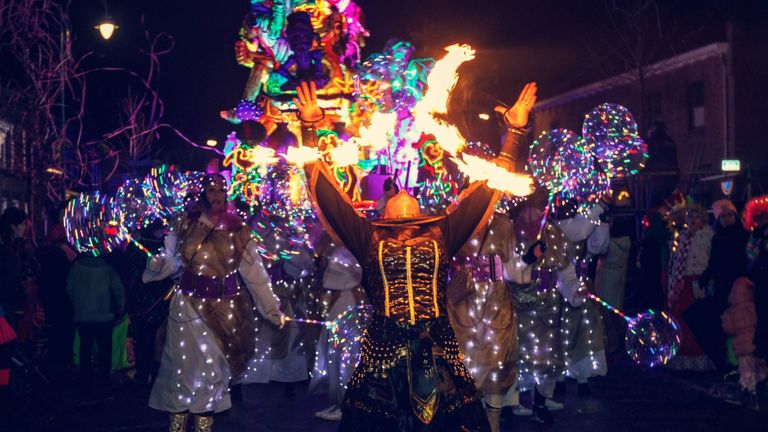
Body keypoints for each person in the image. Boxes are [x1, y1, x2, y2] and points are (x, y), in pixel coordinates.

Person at [293, 80, 537, 431]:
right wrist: (310, 127)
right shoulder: (368, 235)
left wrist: (515, 130)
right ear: (385, 209)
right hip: (383, 358)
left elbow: (492, 185)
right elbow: (324, 192)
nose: (403, 190)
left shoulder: (442, 231)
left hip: (437, 353)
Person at [143, 173, 286, 432]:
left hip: (223, 311)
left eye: (221, 190)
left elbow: (255, 275)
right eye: (212, 190)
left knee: (212, 371)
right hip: (186, 308)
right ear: (202, 195)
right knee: (181, 369)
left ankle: (203, 428)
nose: (217, 195)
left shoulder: (239, 230)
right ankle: (176, 428)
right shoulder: (185, 224)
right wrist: (160, 264)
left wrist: (271, 307)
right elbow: (173, 259)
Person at [447, 213, 520, 432]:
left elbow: (511, 266)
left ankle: (492, 419)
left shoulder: (503, 223)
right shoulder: (455, 220)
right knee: (464, 363)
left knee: (497, 360)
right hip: (463, 301)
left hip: (494, 302)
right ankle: (467, 420)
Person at [685, 199, 749, 374]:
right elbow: (714, 264)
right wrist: (704, 280)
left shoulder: (743, 237)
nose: (727, 219)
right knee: (696, 315)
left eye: (730, 215)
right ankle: (722, 361)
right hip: (722, 289)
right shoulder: (718, 239)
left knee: (738, 327)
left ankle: (734, 364)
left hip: (739, 290)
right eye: (724, 216)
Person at [666, 204, 714, 370]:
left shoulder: (708, 237)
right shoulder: (681, 238)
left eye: (697, 217)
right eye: (690, 217)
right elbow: (674, 263)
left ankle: (700, 360)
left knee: (697, 320)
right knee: (680, 320)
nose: (693, 220)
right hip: (682, 283)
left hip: (698, 282)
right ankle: (682, 359)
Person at [66, 251, 125, 386]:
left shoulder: (77, 266)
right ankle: (103, 377)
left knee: (85, 347)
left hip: (83, 315)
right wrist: (120, 307)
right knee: (105, 348)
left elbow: (69, 288)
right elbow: (118, 289)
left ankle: (85, 376)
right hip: (104, 316)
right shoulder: (107, 267)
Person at [721, 277, 766, 410]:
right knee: (755, 367)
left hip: (742, 346)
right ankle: (743, 391)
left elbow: (728, 329)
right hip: (754, 343)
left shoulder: (733, 311)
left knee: (746, 371)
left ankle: (751, 398)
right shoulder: (754, 306)